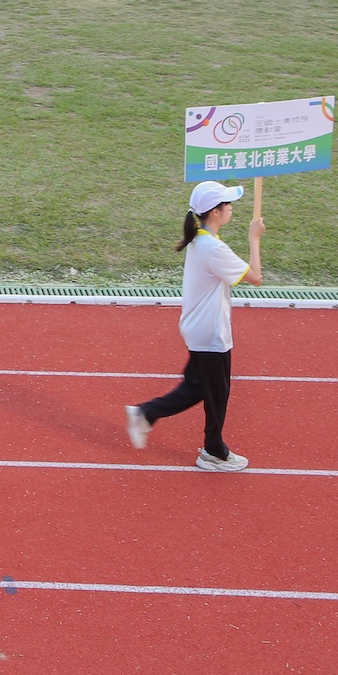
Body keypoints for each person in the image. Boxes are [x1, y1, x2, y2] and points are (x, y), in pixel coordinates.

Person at [125, 180, 264, 471]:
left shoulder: (200, 240)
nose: (231, 208)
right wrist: (254, 239)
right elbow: (256, 278)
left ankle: (147, 414)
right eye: (227, 204)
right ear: (215, 212)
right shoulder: (213, 248)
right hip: (211, 332)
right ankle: (213, 451)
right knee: (217, 392)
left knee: (200, 387)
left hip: (198, 327)